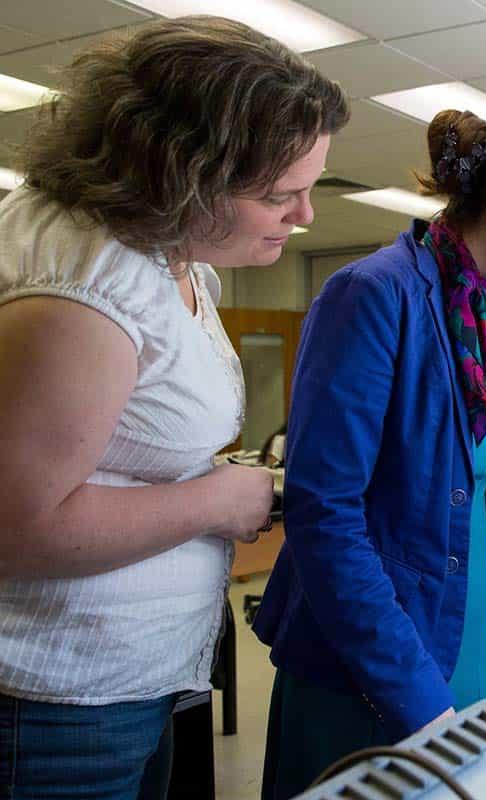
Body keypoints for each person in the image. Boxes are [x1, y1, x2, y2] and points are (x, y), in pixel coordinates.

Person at [0, 16, 348, 799]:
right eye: (277, 194)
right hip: (56, 700)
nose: (305, 216)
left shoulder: (166, 254)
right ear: (179, 175)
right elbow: (17, 528)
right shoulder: (81, 293)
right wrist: (212, 500)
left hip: (126, 679)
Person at [252, 103, 486, 798]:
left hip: (468, 641)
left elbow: (485, 502)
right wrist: (415, 694)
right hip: (378, 661)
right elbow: (325, 513)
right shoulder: (372, 295)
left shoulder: (484, 319)